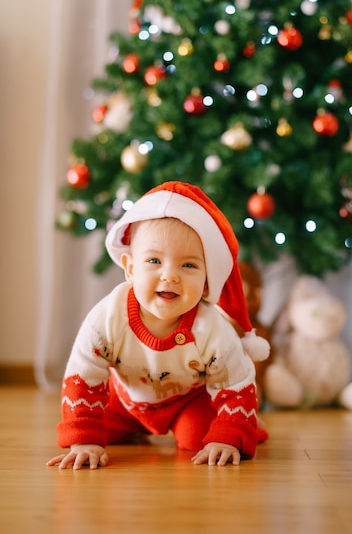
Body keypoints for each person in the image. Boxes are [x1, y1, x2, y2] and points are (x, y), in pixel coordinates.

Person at [47, 181, 270, 469]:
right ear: (130, 268)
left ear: (206, 281)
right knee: (98, 430)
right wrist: (84, 441)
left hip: (187, 402)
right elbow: (83, 374)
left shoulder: (211, 329)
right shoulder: (109, 317)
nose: (170, 276)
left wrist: (228, 437)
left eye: (188, 265)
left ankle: (250, 425)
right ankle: (132, 429)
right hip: (126, 401)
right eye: (154, 260)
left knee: (201, 440)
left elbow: (236, 382)